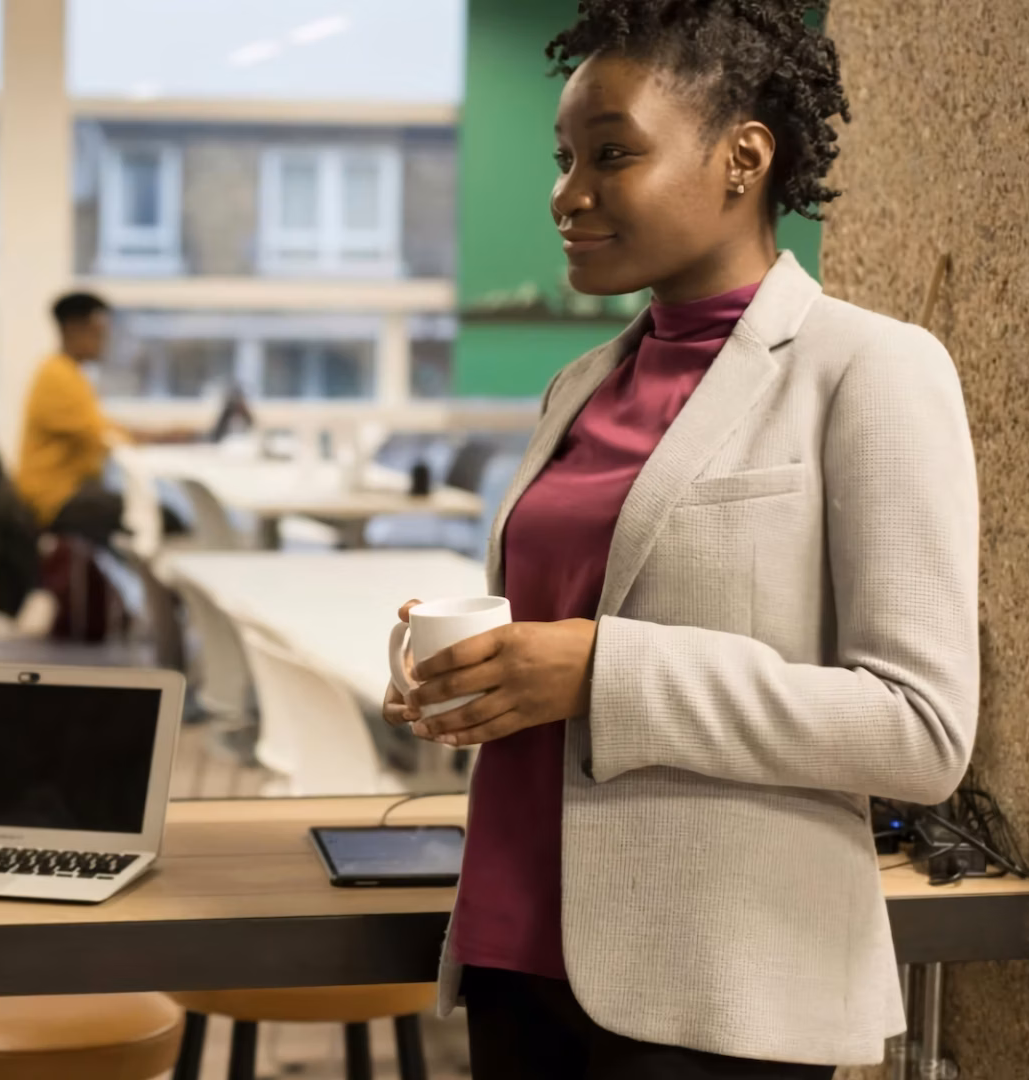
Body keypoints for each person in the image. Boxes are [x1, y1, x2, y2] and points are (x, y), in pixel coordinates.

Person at [383, 2, 977, 1077]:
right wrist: (474, 671)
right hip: (515, 958)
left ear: (743, 158)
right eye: (564, 158)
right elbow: (562, 642)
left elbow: (921, 730)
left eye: (613, 155)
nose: (568, 195)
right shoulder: (581, 384)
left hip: (713, 988)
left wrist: (601, 668)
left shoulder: (869, 370)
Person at [13, 291, 132, 545]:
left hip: (68, 494)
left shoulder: (70, 374)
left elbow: (104, 429)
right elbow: (105, 437)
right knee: (155, 517)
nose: (104, 340)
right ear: (73, 330)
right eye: (97, 332)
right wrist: (165, 437)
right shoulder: (57, 377)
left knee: (140, 514)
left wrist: (169, 434)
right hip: (53, 501)